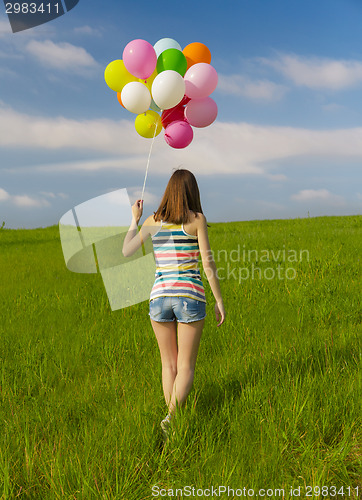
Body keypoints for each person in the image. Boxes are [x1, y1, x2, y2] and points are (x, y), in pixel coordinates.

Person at [122, 169, 225, 440]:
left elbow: (126, 250)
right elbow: (207, 263)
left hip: (159, 298)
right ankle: (171, 418)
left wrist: (134, 220)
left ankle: (171, 423)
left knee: (168, 365)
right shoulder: (197, 220)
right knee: (186, 366)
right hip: (190, 297)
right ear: (192, 192)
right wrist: (219, 299)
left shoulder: (153, 221)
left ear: (169, 190)